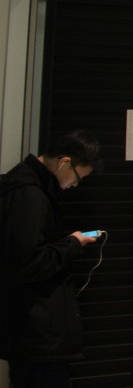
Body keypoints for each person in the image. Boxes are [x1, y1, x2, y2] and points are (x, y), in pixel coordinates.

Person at [0, 130, 103, 388]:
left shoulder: (25, 187)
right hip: (37, 336)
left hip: (29, 332)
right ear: (64, 162)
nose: (75, 185)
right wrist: (72, 244)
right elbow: (29, 262)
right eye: (78, 177)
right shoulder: (30, 196)